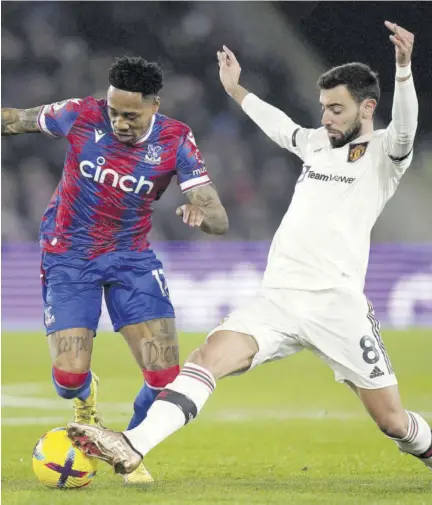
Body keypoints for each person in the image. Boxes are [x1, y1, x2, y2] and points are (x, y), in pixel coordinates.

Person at [65, 21, 431, 474]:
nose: (326, 118)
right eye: (323, 108)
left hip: (337, 307)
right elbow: (280, 127)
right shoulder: (317, 144)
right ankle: (132, 444)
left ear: (367, 107)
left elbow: (406, 128)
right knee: (206, 359)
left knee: (393, 422)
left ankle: (428, 448)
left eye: (336, 109)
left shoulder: (384, 156)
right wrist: (237, 91)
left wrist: (402, 69)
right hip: (276, 300)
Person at [1, 56, 228, 483]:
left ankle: (129, 446)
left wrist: (202, 213)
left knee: (166, 378)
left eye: (131, 115)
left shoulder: (177, 140)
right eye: (114, 112)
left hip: (131, 259)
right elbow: (15, 120)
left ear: (154, 106)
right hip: (69, 255)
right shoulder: (81, 114)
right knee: (68, 377)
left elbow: (218, 217)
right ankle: (85, 401)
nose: (120, 122)